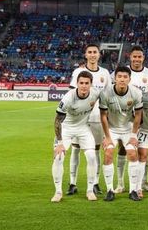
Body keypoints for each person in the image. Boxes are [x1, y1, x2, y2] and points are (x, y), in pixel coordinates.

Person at [51, 71, 101, 202]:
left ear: (91, 84)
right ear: (77, 84)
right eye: (81, 83)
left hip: (83, 128)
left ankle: (90, 190)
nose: (84, 86)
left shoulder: (96, 93)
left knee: (91, 156)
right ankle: (58, 192)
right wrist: (60, 142)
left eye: (87, 83)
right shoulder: (68, 98)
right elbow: (57, 121)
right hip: (66, 129)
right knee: (58, 157)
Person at [68, 44, 111, 196]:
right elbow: (72, 95)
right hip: (80, 118)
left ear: (99, 55)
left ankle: (95, 183)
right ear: (85, 55)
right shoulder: (78, 72)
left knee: (96, 150)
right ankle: (72, 183)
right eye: (90, 52)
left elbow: (107, 97)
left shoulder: (105, 73)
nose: (92, 55)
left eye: (95, 52)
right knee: (75, 149)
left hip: (97, 118)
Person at [100, 66, 144, 201]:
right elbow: (103, 116)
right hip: (111, 129)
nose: (122, 79)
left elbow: (138, 115)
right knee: (108, 153)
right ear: (115, 78)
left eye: (125, 77)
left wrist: (134, 135)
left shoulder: (136, 93)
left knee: (132, 153)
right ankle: (110, 190)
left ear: (129, 79)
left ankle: (133, 190)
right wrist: (107, 137)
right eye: (119, 77)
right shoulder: (105, 93)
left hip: (128, 129)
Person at [126, 45, 148, 194]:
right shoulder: (123, 72)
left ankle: (144, 182)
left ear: (143, 58)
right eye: (135, 56)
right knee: (126, 150)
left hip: (144, 117)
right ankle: (121, 183)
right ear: (130, 57)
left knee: (144, 151)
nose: (137, 59)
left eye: (139, 56)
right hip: (126, 118)